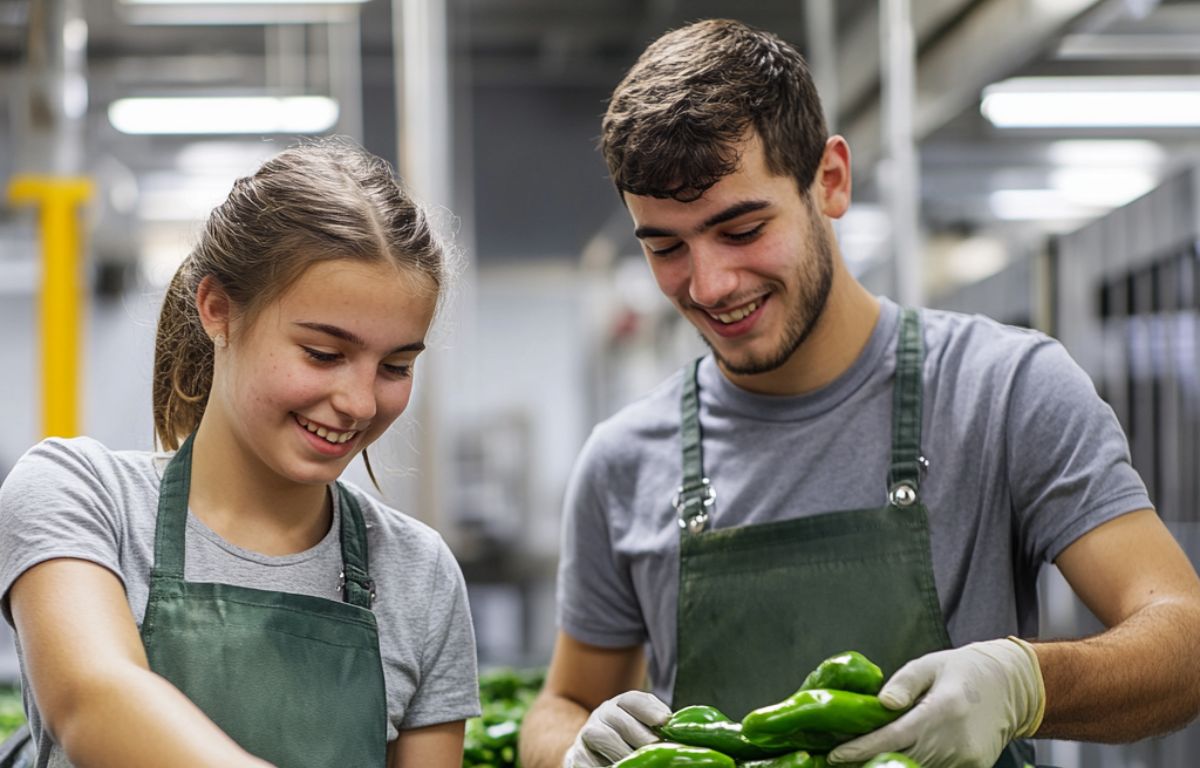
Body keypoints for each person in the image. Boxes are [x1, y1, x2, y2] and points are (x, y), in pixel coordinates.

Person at [518, 18, 1200, 768]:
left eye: (742, 230)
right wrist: (571, 748)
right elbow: (562, 703)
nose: (709, 285)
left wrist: (1024, 681)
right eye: (667, 247)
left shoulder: (1003, 390)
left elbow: (1183, 640)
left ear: (830, 181)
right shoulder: (623, 460)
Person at [0, 138, 479, 768]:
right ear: (218, 310)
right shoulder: (81, 495)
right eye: (324, 354)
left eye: (395, 365)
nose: (361, 403)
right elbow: (94, 701)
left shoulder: (418, 572)